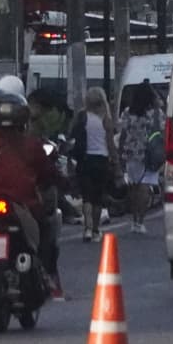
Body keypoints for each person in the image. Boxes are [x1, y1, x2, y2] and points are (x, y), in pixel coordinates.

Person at [0, 91, 66, 255]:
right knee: (46, 230)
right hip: (21, 202)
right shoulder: (30, 146)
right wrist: (64, 182)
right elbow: (48, 172)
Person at [68, 87, 121, 243]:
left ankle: (87, 228)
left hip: (84, 160)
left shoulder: (81, 117)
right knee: (98, 198)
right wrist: (116, 163)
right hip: (102, 160)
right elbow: (110, 144)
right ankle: (96, 230)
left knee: (87, 197)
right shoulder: (106, 119)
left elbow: (72, 136)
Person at [118, 82, 165, 235]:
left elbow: (122, 133)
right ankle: (140, 221)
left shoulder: (127, 113)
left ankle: (134, 219)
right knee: (146, 186)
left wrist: (120, 152)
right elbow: (162, 132)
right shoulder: (156, 113)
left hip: (131, 153)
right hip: (150, 153)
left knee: (134, 186)